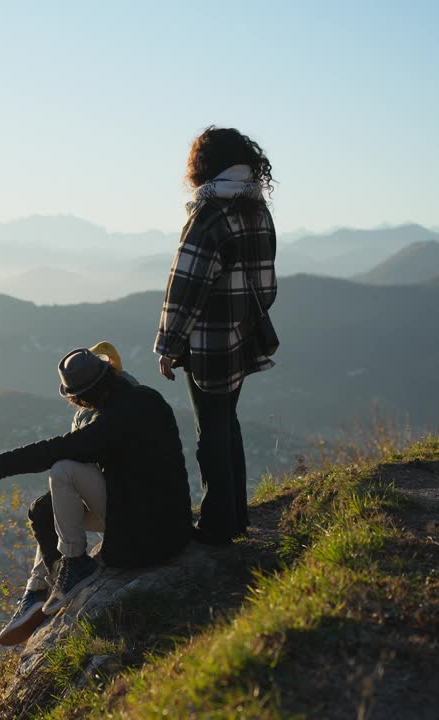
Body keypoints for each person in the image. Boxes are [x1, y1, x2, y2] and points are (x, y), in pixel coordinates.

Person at [0, 347, 191, 647]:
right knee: (46, 510)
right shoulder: (144, 399)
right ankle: (39, 590)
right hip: (167, 520)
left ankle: (73, 564)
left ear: (81, 396)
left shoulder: (112, 420)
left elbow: (58, 450)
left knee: (63, 471)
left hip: (144, 536)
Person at [154, 126, 278, 545]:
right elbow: (266, 284)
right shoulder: (257, 209)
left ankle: (218, 525)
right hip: (242, 337)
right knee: (228, 424)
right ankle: (236, 516)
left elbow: (185, 285)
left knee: (211, 432)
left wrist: (169, 344)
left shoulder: (208, 214)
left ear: (203, 166)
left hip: (208, 342)